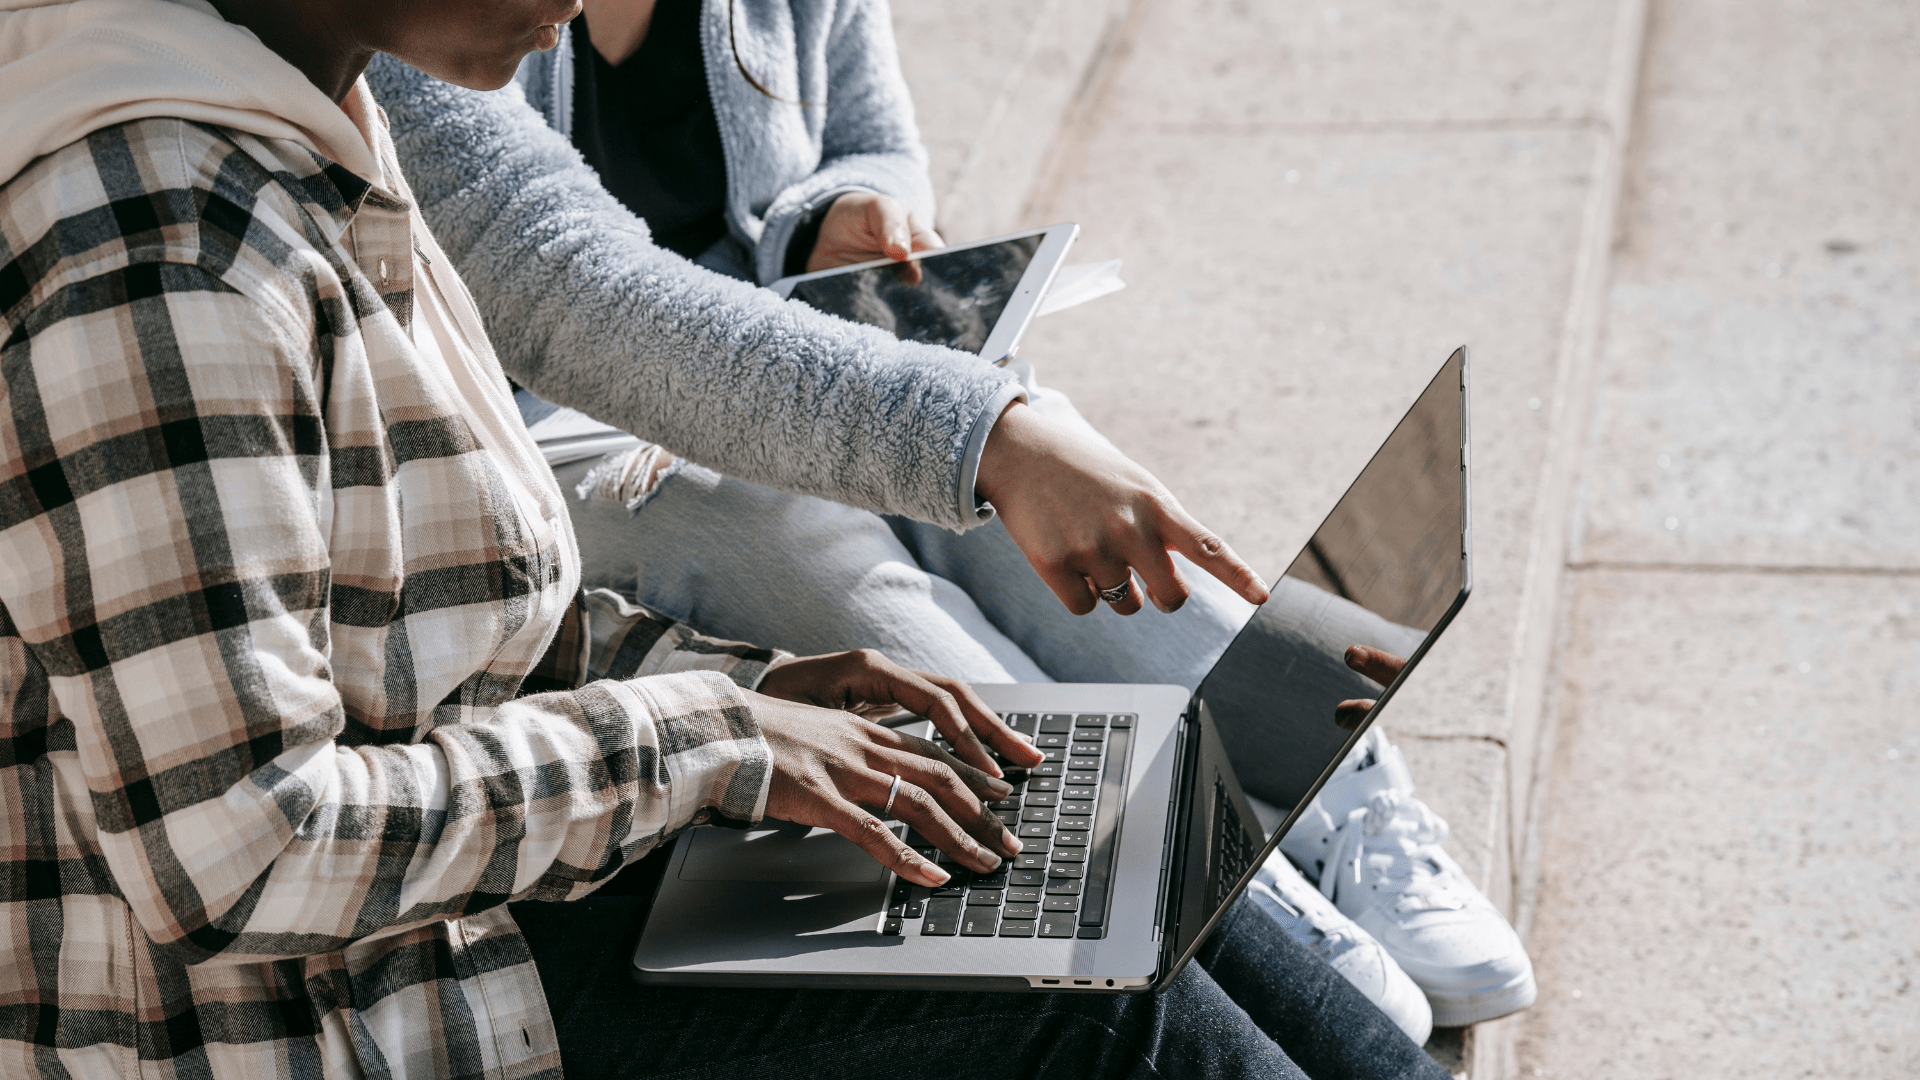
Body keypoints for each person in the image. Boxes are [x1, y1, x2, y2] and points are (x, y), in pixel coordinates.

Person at [0, 0, 1453, 1077]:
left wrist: (742, 692)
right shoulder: (164, 257)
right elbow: (242, 853)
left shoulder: (310, 112)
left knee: (1094, 810)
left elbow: (432, 620)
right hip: (343, 1007)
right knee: (1103, 997)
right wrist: (710, 738)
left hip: (488, 880)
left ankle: (1305, 848)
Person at [367, 0, 1535, 1034]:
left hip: (774, 329)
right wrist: (980, 432)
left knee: (1021, 465)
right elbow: (564, 287)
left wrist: (843, 212)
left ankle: (1327, 791)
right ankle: (1181, 866)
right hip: (533, 429)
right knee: (795, 521)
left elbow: (875, 133)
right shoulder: (423, 17)